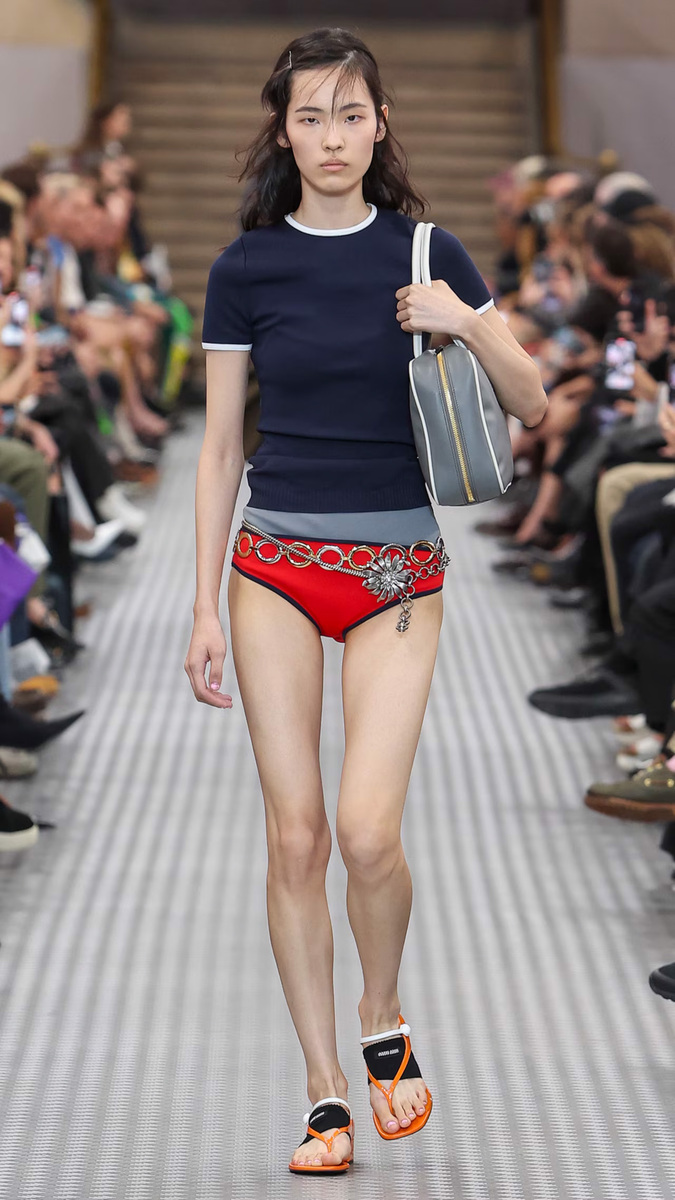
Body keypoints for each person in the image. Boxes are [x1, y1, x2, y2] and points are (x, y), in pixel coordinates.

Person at [185, 28, 546, 1175]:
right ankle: (324, 1090)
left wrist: (466, 320)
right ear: (284, 131)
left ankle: (381, 1014)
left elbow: (534, 402)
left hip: (397, 570)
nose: (332, 137)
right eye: (311, 117)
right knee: (294, 835)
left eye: (351, 115)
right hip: (273, 565)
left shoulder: (431, 253)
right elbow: (220, 446)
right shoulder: (245, 268)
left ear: (380, 125)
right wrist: (202, 607)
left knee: (367, 831)